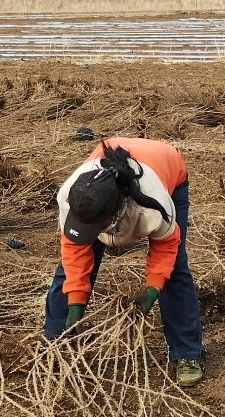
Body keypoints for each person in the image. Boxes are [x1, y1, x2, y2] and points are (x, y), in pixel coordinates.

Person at [44, 137, 203, 389]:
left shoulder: (153, 207)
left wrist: (153, 288)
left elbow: (166, 248)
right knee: (68, 273)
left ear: (115, 215)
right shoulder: (71, 196)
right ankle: (55, 344)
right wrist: (75, 303)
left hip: (165, 163)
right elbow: (74, 252)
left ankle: (187, 354)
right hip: (111, 162)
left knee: (175, 270)